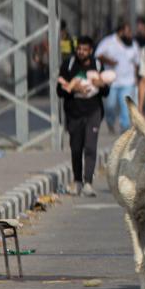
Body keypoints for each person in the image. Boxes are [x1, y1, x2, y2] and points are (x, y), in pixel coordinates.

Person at [57, 35, 109, 196]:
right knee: (76, 147)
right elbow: (59, 91)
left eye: (84, 49)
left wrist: (101, 86)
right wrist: (74, 89)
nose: (81, 52)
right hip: (74, 113)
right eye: (79, 48)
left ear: (90, 51)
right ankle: (78, 180)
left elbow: (106, 91)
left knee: (91, 147)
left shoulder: (98, 65)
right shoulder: (69, 65)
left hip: (93, 111)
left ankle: (88, 182)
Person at [95, 19, 140, 132]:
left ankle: (124, 130)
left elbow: (137, 63)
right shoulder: (108, 42)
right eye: (128, 31)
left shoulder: (133, 44)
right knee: (110, 106)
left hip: (128, 83)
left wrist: (136, 79)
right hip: (112, 82)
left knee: (125, 108)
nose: (130, 34)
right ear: (120, 32)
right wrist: (108, 61)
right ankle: (110, 121)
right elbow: (97, 54)